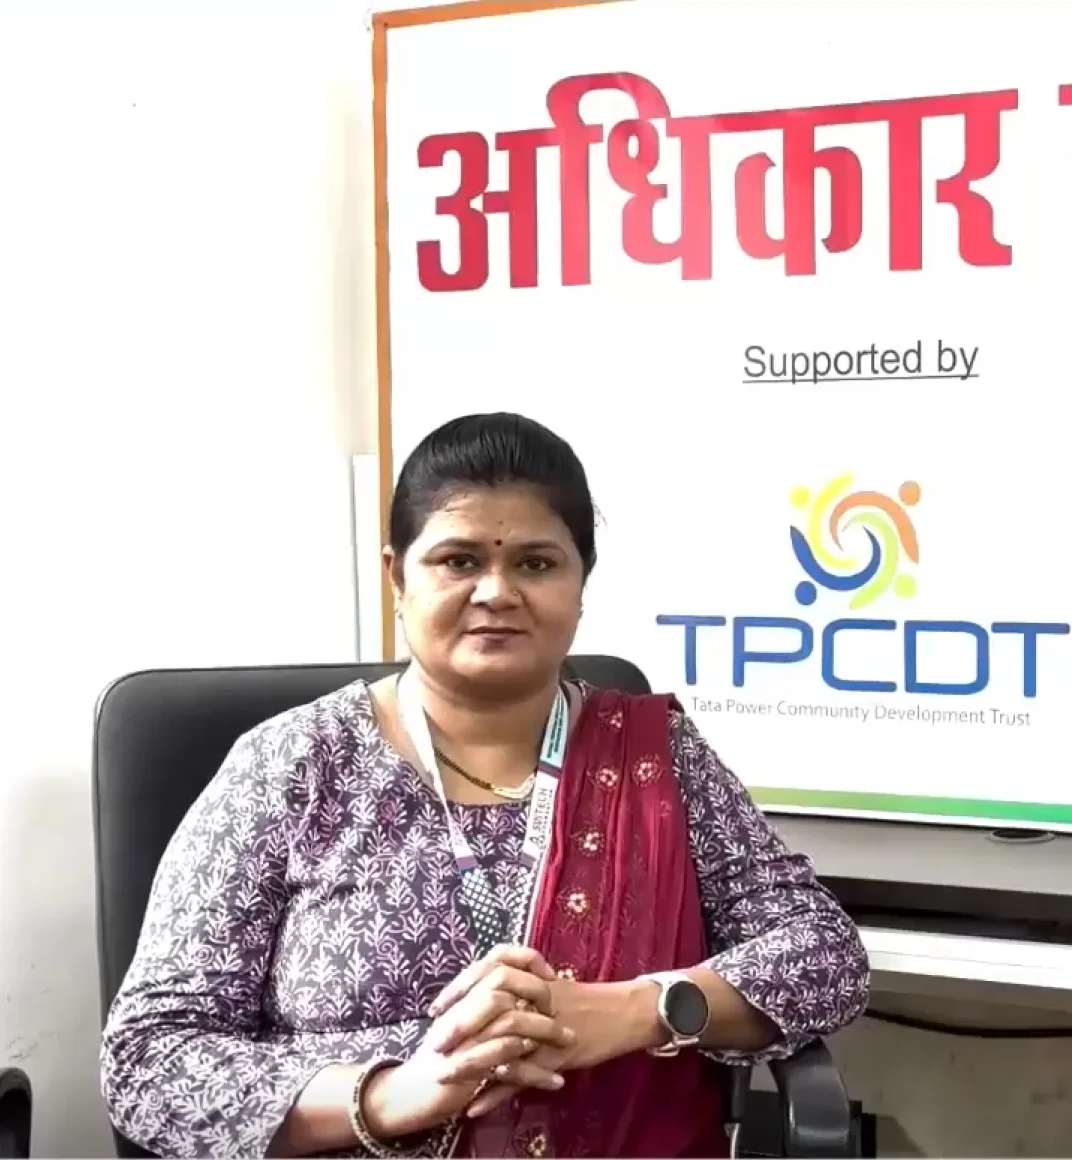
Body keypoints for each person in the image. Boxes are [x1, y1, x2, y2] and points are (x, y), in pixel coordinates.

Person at [101, 412, 870, 1159]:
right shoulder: (295, 766)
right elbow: (148, 1060)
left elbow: (825, 955)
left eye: (535, 563)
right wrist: (390, 1095)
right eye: (459, 561)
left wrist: (639, 1010)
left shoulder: (659, 757)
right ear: (398, 576)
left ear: (581, 583)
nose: (497, 591)